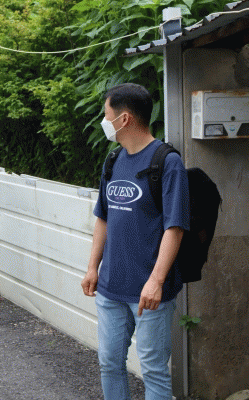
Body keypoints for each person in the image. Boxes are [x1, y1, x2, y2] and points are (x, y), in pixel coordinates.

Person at [81, 83, 190, 400]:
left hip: (149, 292)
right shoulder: (113, 160)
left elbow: (175, 228)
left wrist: (156, 281)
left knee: (154, 371)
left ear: (124, 119)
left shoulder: (167, 162)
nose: (105, 122)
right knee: (109, 364)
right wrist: (92, 268)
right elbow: (103, 218)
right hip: (110, 287)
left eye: (107, 115)